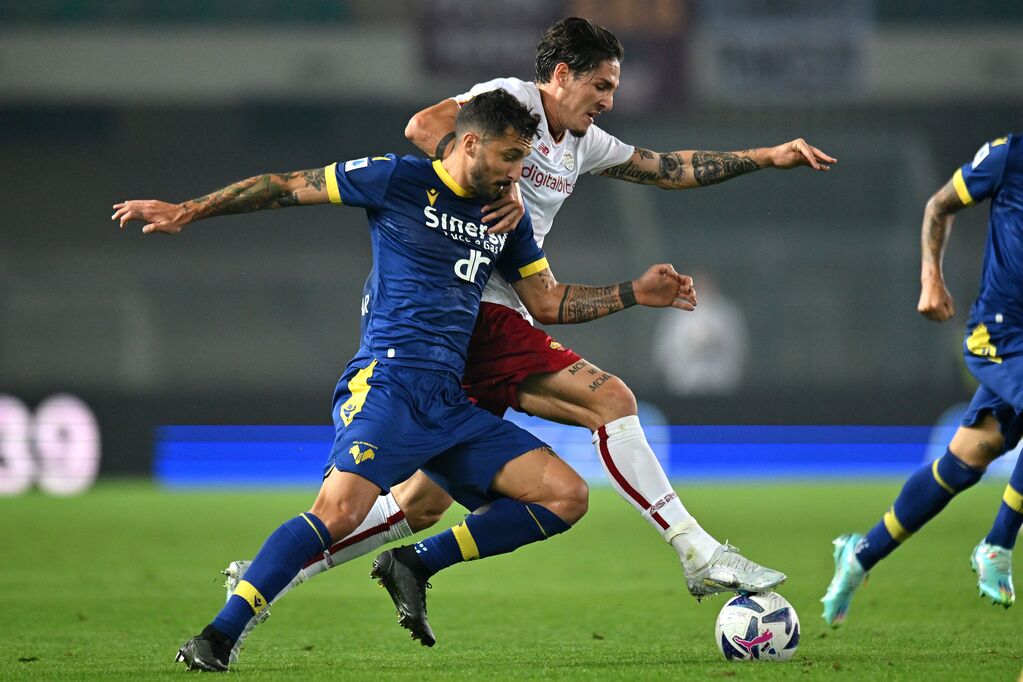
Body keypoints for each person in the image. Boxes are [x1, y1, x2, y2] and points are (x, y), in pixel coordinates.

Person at [220, 17, 837, 661]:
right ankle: (697, 551)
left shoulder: (584, 143)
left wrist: (765, 157)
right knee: (612, 400)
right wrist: (501, 184)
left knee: (423, 504)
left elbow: (667, 168)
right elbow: (424, 128)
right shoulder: (511, 100)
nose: (608, 99)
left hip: (480, 320)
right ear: (562, 75)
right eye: (600, 84)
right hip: (479, 303)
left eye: (613, 87)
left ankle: (271, 577)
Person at [114, 90, 697, 670]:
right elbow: (284, 185)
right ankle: (218, 636)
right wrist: (189, 210)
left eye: (525, 160)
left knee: (565, 497)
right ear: (471, 143)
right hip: (388, 383)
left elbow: (547, 302)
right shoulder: (395, 179)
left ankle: (415, 563)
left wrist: (635, 293)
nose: (521, 174)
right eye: (512, 158)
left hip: (451, 400)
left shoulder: (505, 217)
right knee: (338, 514)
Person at [821, 133, 1023, 627]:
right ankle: (997, 545)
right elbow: (939, 205)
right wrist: (930, 276)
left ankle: (861, 553)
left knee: (966, 461)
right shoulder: (1009, 155)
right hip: (1002, 332)